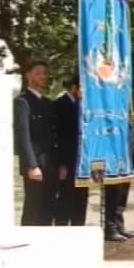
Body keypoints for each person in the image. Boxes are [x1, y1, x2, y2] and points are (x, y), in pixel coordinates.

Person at [14, 60, 57, 226]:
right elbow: (23, 137)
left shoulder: (47, 103)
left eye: (45, 73)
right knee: (33, 208)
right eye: (38, 72)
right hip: (35, 166)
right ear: (28, 75)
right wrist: (31, 166)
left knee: (48, 207)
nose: (43, 76)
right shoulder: (23, 102)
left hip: (50, 164)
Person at [52, 75, 89, 226]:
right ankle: (62, 227)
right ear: (75, 88)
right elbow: (57, 137)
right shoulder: (59, 105)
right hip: (67, 161)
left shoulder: (82, 106)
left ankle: (78, 225)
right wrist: (61, 164)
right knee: (66, 197)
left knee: (81, 197)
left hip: (81, 161)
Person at [104, 119, 134, 241]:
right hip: (114, 166)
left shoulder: (126, 120)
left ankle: (119, 226)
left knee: (122, 198)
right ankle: (110, 228)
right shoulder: (111, 119)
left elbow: (132, 143)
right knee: (112, 196)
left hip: (126, 164)